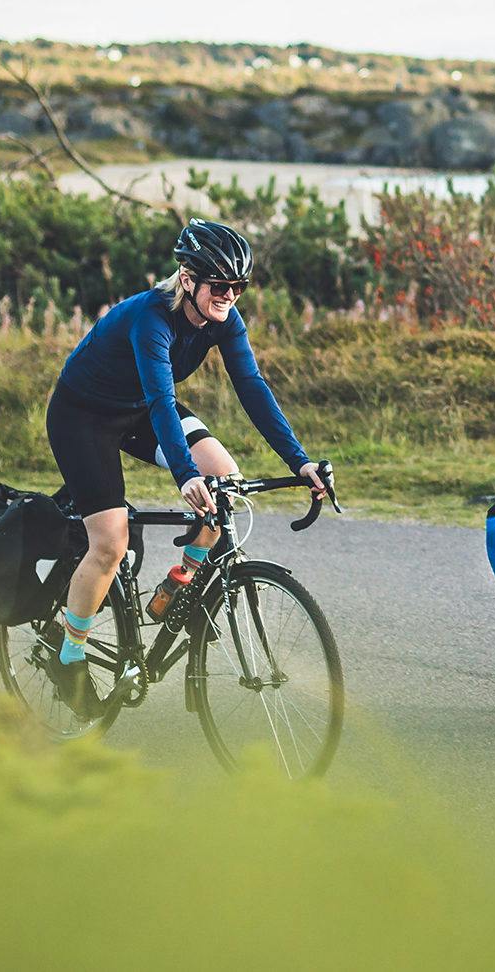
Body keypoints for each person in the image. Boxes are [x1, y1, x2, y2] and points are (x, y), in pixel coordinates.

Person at [38, 218, 329, 708]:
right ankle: (69, 657)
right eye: (220, 285)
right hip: (83, 416)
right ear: (188, 279)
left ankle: (180, 584)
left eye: (238, 287)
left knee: (227, 482)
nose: (229, 296)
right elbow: (161, 399)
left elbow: (253, 389)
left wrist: (299, 463)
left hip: (140, 410)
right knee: (110, 543)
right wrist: (185, 475)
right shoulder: (151, 318)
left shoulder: (224, 318)